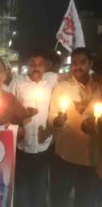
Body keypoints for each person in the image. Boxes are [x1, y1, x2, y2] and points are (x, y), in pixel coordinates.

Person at [48, 47, 101, 207]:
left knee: (84, 201)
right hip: (64, 155)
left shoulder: (99, 88)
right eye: (74, 63)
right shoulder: (61, 87)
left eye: (83, 62)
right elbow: (51, 117)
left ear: (90, 64)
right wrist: (56, 121)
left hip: (90, 158)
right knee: (59, 199)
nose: (77, 66)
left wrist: (97, 127)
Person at [8, 50, 57, 207]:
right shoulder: (17, 83)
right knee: (21, 192)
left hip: (43, 147)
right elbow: (7, 108)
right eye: (32, 64)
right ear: (27, 66)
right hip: (22, 147)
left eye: (40, 64)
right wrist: (21, 117)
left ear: (46, 66)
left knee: (40, 191)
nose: (36, 67)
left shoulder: (51, 79)